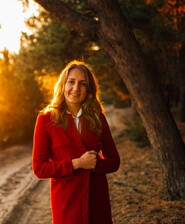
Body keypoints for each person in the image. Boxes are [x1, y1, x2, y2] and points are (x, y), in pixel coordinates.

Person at [32, 60, 120, 224]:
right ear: (63, 85)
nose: (76, 88)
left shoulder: (97, 118)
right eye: (71, 82)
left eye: (83, 84)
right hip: (66, 202)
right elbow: (39, 168)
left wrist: (96, 165)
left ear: (88, 90)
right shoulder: (46, 120)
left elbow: (115, 162)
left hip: (97, 200)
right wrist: (77, 163)